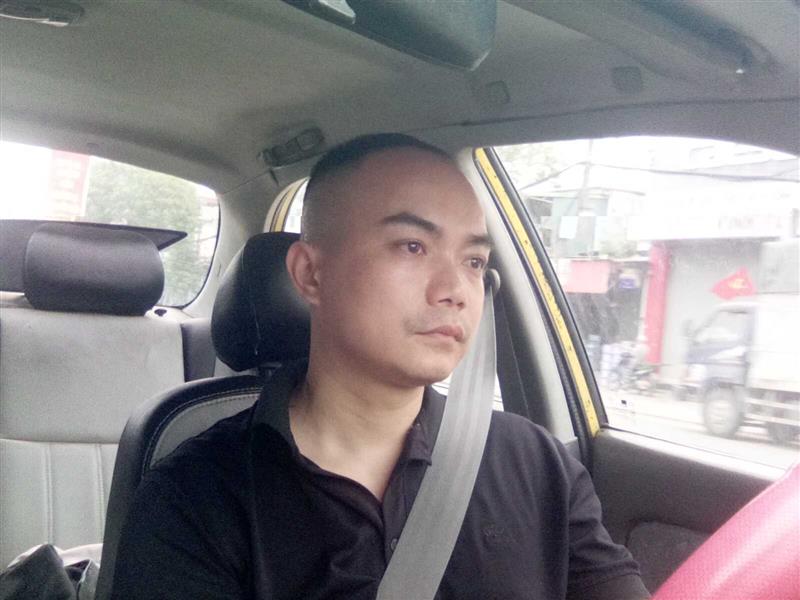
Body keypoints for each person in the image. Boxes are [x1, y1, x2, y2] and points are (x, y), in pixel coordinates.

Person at [111, 134, 650, 599]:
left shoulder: (539, 466)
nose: (455, 290)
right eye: (412, 246)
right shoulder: (195, 500)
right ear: (311, 274)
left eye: (473, 261)